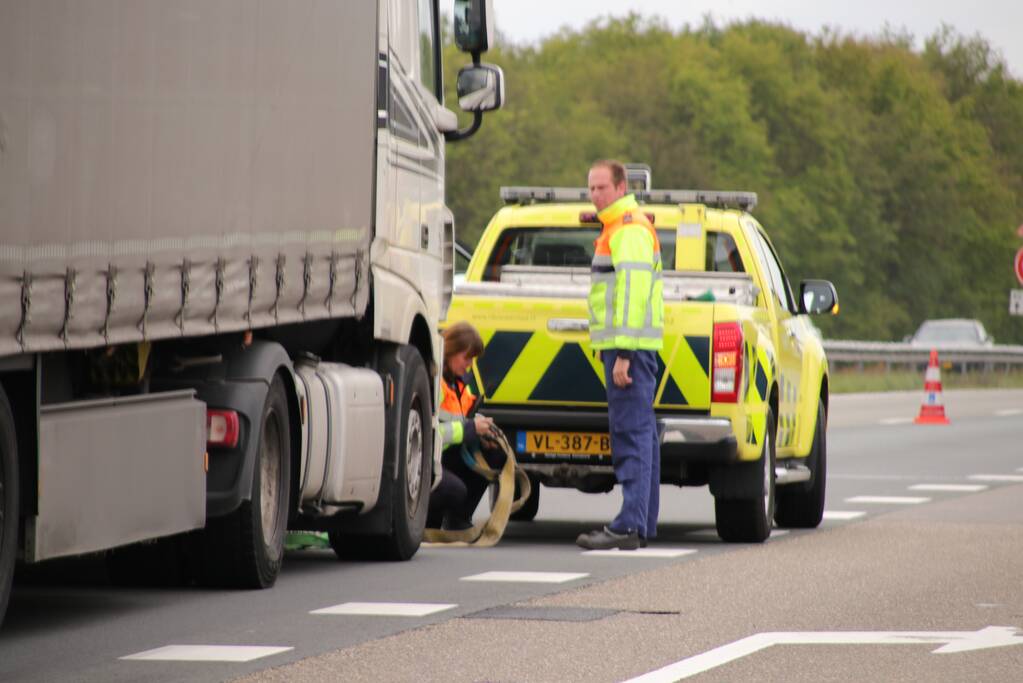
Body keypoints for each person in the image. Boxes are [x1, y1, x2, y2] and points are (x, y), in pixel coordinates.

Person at [576, 159, 664, 551]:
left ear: (620, 186)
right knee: (642, 434)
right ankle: (639, 524)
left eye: (602, 188)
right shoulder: (619, 226)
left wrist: (623, 352)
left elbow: (631, 294)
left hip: (630, 350)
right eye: (591, 188)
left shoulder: (627, 229)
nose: (595, 195)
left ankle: (629, 524)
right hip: (629, 348)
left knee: (631, 434)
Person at [427, 321, 505, 531]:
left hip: (446, 455)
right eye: (467, 357)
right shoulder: (434, 384)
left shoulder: (459, 384)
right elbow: (429, 435)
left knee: (496, 455)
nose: (469, 364)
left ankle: (459, 519)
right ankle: (427, 521)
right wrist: (470, 429)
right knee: (454, 490)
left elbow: (460, 419)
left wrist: (481, 431)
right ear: (451, 350)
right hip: (428, 460)